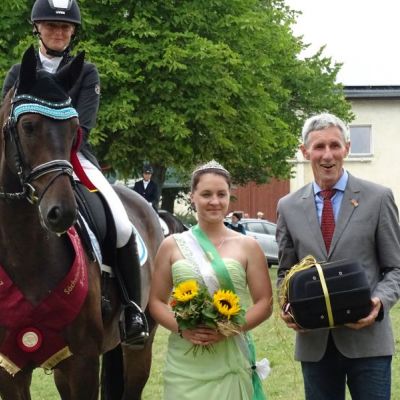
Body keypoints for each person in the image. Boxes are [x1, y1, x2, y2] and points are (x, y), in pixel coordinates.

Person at [2, 0, 147, 345]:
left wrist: (57, 153)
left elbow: (84, 124)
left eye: (65, 27)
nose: (58, 32)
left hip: (72, 156)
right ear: (37, 28)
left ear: (72, 32)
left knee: (121, 224)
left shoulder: (86, 72)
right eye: (51, 25)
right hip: (24, 161)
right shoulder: (18, 72)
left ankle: (130, 309)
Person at [276, 112, 400, 400]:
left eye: (335, 145)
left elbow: (396, 268)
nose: (327, 155)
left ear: (347, 148)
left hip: (368, 344)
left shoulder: (378, 198)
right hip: (315, 343)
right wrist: (287, 306)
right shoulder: (288, 206)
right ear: (305, 152)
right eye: (319, 146)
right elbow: (285, 272)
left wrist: (379, 302)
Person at [149, 160, 273, 399]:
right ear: (192, 197)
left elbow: (265, 303)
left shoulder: (248, 246)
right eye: (206, 194)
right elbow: (155, 301)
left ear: (229, 197)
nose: (214, 201)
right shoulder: (171, 245)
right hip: (184, 363)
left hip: (230, 355)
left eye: (221, 194)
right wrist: (183, 329)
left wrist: (228, 329)